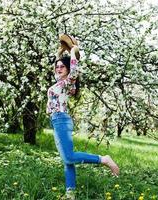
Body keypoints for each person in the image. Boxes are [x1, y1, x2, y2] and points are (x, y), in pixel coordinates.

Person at [47, 43, 120, 199]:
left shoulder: (68, 82)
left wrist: (73, 52)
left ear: (68, 70)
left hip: (61, 120)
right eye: (57, 67)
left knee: (69, 157)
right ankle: (70, 194)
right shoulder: (60, 83)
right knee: (67, 161)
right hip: (56, 121)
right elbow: (59, 67)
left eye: (62, 67)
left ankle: (104, 159)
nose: (58, 69)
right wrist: (60, 54)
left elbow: (73, 70)